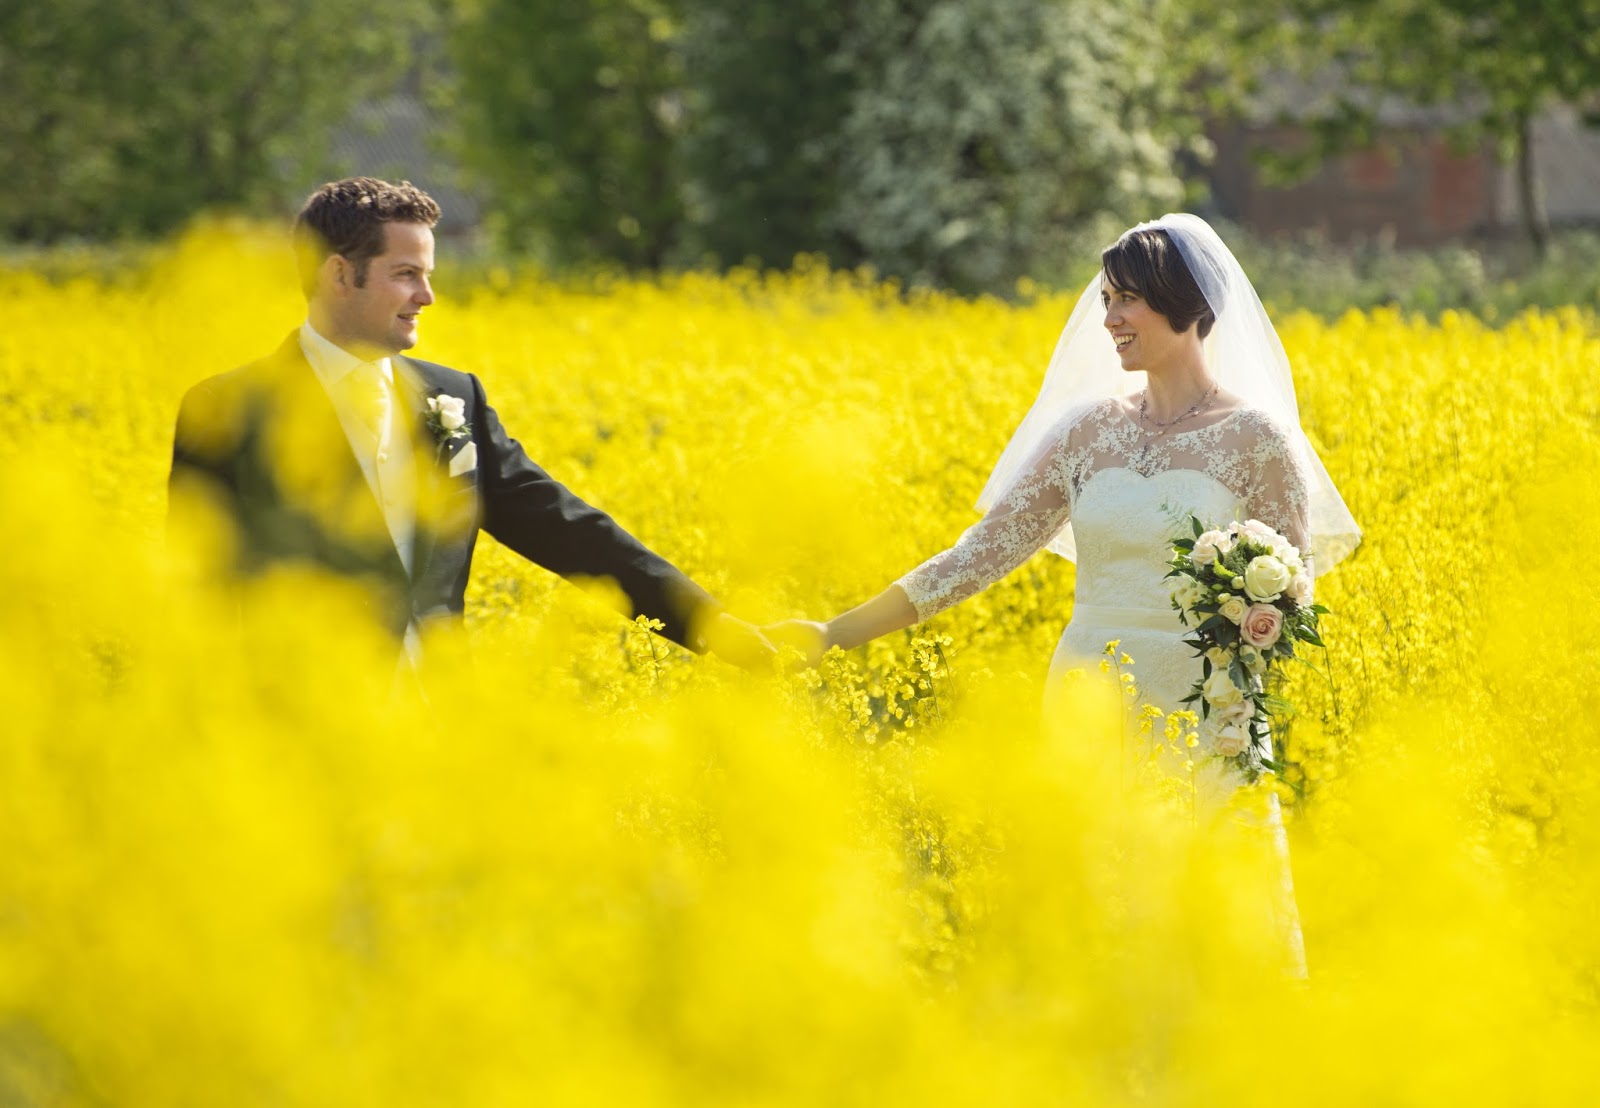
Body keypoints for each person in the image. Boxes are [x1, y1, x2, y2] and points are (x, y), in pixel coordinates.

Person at [768, 214, 1361, 975]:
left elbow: (1292, 590)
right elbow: (977, 556)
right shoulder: (1086, 434)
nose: (1109, 318)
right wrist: (832, 633)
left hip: (1206, 710)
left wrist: (1247, 630)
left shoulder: (1257, 440)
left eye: (1128, 299)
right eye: (1107, 299)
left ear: (1185, 304)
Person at [168, 177, 772, 669]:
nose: (427, 296)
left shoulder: (453, 398)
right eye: (406, 274)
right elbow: (194, 594)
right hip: (297, 740)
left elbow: (567, 531)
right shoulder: (225, 410)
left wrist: (714, 628)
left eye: (427, 274)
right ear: (339, 275)